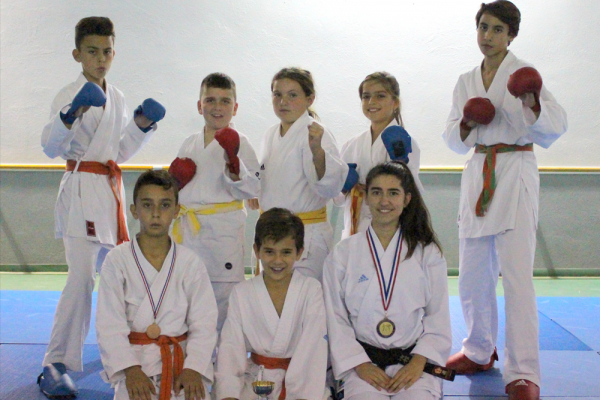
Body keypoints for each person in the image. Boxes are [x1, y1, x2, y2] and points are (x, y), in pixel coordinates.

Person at [441, 1, 567, 399]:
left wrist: (532, 102)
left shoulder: (524, 73)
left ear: (511, 35)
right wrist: (466, 122)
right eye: (483, 27)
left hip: (515, 171)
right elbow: (452, 140)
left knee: (516, 278)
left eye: (497, 29)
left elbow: (556, 126)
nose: (488, 36)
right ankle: (478, 350)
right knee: (473, 273)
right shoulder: (465, 80)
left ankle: (523, 371)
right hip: (479, 172)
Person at [38, 17, 166, 398]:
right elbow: (50, 147)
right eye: (92, 52)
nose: (101, 59)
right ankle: (55, 363)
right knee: (81, 279)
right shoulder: (67, 93)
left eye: (107, 51)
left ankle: (133, 349)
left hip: (110, 193)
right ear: (77, 54)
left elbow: (117, 152)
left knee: (125, 276)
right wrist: (71, 114)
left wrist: (140, 125)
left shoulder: (119, 98)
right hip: (80, 193)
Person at [323, 162, 451, 400]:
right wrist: (359, 364)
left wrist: (419, 361)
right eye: (376, 192)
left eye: (393, 193)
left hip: (413, 363)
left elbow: (438, 316)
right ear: (366, 197)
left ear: (406, 199)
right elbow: (336, 317)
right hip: (363, 364)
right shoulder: (343, 253)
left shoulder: (427, 253)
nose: (384, 201)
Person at [96, 170, 218, 400]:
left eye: (164, 205)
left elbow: (205, 323)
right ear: (134, 210)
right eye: (147, 205)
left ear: (176, 210)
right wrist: (130, 369)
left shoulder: (190, 262)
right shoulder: (116, 261)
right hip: (135, 369)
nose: (155, 213)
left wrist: (194, 368)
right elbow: (109, 324)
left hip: (181, 366)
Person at [169, 73, 260, 336]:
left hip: (222, 234)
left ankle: (224, 359)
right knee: (186, 299)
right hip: (187, 231)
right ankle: (191, 357)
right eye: (210, 100)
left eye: (225, 101)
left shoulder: (241, 142)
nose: (217, 107)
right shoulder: (189, 142)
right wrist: (175, 181)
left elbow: (254, 188)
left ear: (235, 107)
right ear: (200, 106)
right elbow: (175, 191)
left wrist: (234, 166)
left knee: (223, 303)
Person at [214, 208, 329, 400]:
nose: (277, 260)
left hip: (302, 383)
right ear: (256, 251)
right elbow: (230, 348)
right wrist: (228, 394)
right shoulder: (242, 292)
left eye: (286, 252)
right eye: (269, 252)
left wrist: (303, 396)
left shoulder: (311, 290)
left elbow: (314, 349)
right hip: (254, 382)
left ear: (299, 252)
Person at [249, 67, 348, 281]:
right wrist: (257, 193)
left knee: (304, 295)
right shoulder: (270, 134)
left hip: (305, 234)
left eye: (292, 95)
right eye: (277, 94)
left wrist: (317, 151)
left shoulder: (316, 133)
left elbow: (330, 188)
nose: (283, 102)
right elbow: (270, 176)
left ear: (309, 99)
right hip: (270, 234)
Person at [335, 72, 424, 239]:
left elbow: (413, 193)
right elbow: (337, 199)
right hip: (355, 227)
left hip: (391, 229)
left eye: (380, 96)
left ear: (395, 102)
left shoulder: (405, 143)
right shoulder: (351, 145)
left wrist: (400, 165)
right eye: (366, 96)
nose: (371, 102)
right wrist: (344, 187)